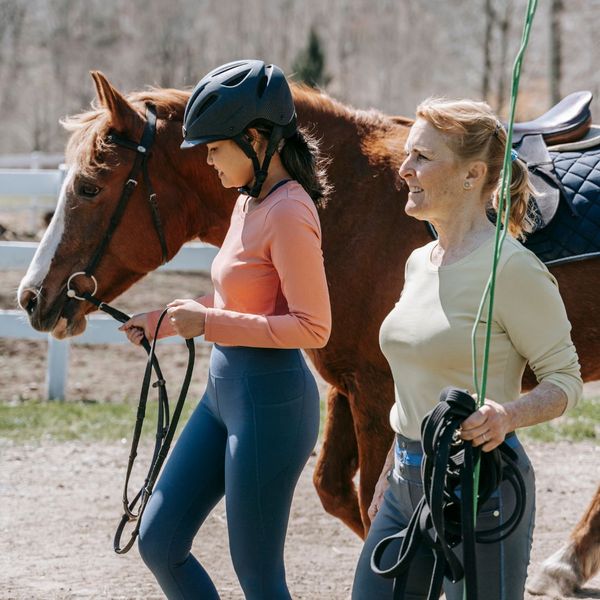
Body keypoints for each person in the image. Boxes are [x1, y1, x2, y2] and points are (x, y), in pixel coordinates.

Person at [351, 98, 583, 600]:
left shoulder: (513, 269)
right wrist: (392, 469)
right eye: (408, 154)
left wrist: (507, 415)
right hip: (405, 480)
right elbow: (414, 382)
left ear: (472, 174)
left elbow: (565, 379)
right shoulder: (419, 262)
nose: (405, 169)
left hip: (484, 488)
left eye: (422, 158)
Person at [119, 59, 331, 600]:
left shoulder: (288, 211)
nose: (209, 160)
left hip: (271, 405)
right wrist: (166, 321)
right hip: (224, 394)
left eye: (215, 148)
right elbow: (241, 296)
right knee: (158, 539)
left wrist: (208, 321)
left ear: (257, 139)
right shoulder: (247, 202)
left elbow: (314, 327)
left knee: (259, 578)